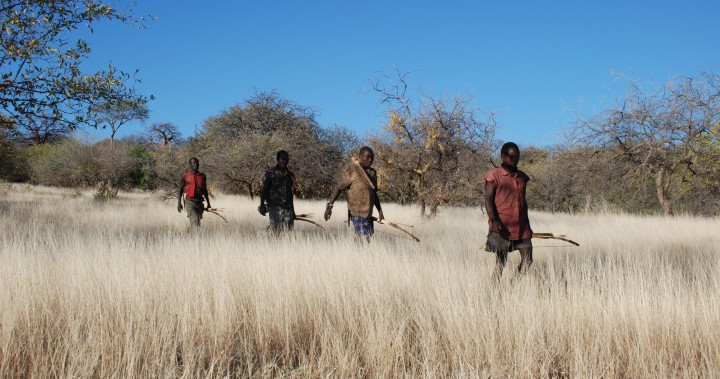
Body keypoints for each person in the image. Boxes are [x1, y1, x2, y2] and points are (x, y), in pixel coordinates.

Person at [484, 142, 533, 278]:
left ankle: (512, 287)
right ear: (502, 156)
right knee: (501, 263)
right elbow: (488, 200)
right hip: (502, 226)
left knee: (528, 260)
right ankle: (495, 291)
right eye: (510, 157)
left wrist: (528, 226)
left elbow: (523, 202)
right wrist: (493, 220)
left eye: (516, 157)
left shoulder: (522, 177)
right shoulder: (493, 176)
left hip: (522, 227)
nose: (514, 160)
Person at [324, 146, 384, 242]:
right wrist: (330, 206)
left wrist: (380, 210)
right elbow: (339, 188)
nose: (370, 159)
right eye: (367, 157)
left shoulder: (372, 173)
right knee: (363, 237)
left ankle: (359, 255)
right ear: (359, 156)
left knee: (368, 236)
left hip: (368, 213)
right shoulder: (352, 170)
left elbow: (374, 193)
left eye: (372, 157)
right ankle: (358, 253)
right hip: (356, 212)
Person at [258, 150, 295, 233]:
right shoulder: (270, 173)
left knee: (289, 233)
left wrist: (293, 212)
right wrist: (261, 205)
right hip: (274, 208)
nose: (284, 161)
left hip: (288, 209)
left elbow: (290, 194)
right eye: (282, 159)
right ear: (277, 159)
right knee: (275, 232)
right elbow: (264, 190)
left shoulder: (290, 175)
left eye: (286, 159)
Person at [177, 157, 211, 229]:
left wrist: (208, 203)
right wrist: (179, 204)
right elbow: (180, 189)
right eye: (193, 163)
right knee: (195, 221)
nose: (196, 164)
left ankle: (192, 238)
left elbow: (204, 190)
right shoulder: (185, 176)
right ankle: (196, 237)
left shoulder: (202, 176)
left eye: (197, 163)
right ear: (190, 164)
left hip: (200, 202)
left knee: (197, 222)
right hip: (190, 202)